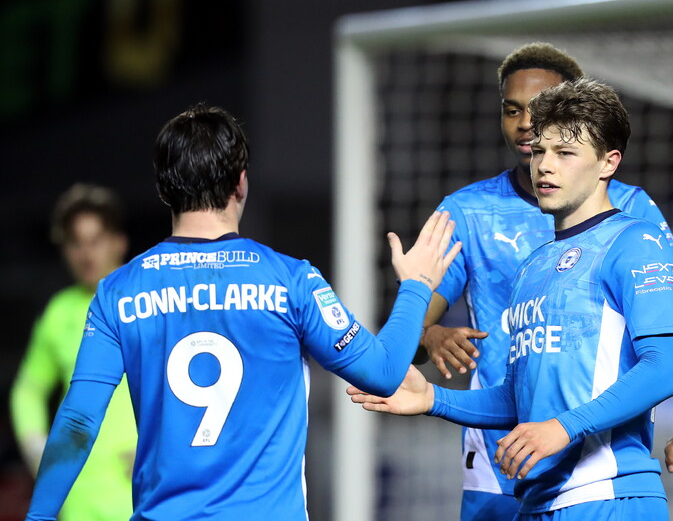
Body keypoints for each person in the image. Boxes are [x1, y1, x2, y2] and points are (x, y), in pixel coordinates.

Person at [24, 104, 460, 520]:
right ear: (241, 183)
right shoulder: (292, 280)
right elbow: (383, 373)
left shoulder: (117, 292)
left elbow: (79, 419)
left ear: (162, 190)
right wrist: (416, 287)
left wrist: (40, 515)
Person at [354, 77, 673, 519]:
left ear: (608, 162)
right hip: (538, 502)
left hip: (607, 496)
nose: (545, 165)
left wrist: (563, 428)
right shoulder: (533, 266)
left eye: (565, 153)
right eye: (541, 151)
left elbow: (663, 367)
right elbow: (518, 397)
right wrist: (433, 398)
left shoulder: (635, 241)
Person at [10, 184, 138, 521]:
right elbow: (28, 389)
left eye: (96, 240)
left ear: (119, 242)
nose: (85, 253)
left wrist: (162, 447)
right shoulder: (59, 313)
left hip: (140, 492)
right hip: (78, 498)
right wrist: (37, 450)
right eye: (75, 243)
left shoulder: (145, 303)